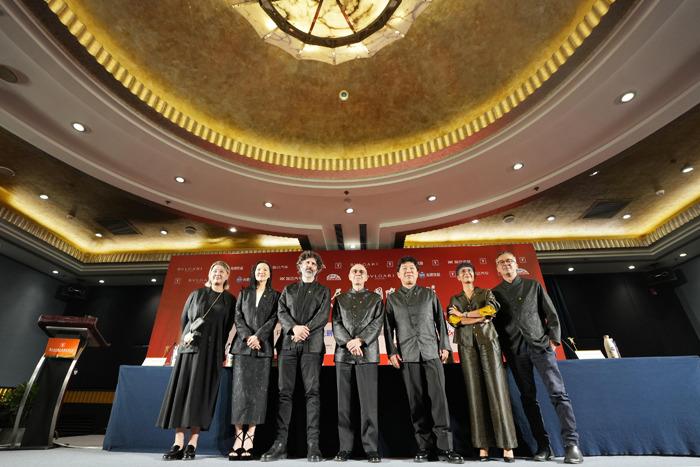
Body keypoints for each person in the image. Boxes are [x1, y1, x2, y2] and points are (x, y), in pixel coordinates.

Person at [491, 251, 583, 464]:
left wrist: (553, 339)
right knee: (528, 398)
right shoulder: (494, 294)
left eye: (509, 261)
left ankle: (572, 444)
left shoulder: (533, 286)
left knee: (558, 394)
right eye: (502, 262)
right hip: (515, 351)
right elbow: (495, 326)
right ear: (497, 268)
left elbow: (551, 314)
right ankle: (543, 446)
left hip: (541, 347)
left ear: (516, 264)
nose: (506, 265)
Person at [383, 256, 464, 464]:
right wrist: (391, 352)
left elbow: (440, 321)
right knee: (416, 402)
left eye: (412, 268)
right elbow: (388, 328)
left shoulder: (429, 294)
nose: (408, 271)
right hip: (408, 355)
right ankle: (423, 448)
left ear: (417, 273)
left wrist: (444, 346)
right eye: (404, 269)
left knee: (439, 401)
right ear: (398, 274)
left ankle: (446, 448)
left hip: (431, 353)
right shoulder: (392, 299)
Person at [157, 260, 236, 461]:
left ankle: (193, 443)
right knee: (182, 394)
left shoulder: (230, 300)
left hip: (212, 353)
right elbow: (184, 320)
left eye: (222, 271)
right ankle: (178, 443)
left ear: (227, 276)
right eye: (215, 270)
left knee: (201, 396)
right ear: (209, 274)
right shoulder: (196, 294)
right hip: (190, 350)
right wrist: (186, 337)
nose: (218, 273)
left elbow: (227, 327)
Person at [262, 251, 331, 462]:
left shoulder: (324, 290)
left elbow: (322, 315)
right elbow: (281, 312)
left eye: (313, 263)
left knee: (313, 393)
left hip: (312, 346)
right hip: (287, 346)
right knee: (284, 394)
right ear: (299, 267)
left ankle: (313, 445)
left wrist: (304, 330)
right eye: (306, 262)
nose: (309, 265)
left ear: (318, 269)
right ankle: (280, 445)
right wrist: (294, 328)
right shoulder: (288, 289)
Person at [447, 261, 517, 463]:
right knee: (474, 392)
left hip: (489, 343)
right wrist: (478, 317)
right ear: (458, 277)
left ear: (474, 275)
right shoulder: (455, 298)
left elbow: (491, 311)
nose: (467, 273)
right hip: (467, 345)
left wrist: (465, 315)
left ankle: (507, 446)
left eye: (469, 271)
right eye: (462, 272)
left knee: (497, 390)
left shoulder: (486, 293)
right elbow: (454, 321)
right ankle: (483, 446)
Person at [332, 264, 384, 463]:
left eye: (362, 271)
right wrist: (349, 342)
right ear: (349, 276)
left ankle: (371, 449)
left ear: (367, 276)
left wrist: (360, 340)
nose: (358, 274)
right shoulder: (340, 299)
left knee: (369, 404)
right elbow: (336, 323)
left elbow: (377, 323)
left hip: (367, 354)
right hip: (343, 355)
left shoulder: (376, 299)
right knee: (343, 405)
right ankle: (344, 448)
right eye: (354, 271)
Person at [229, 261, 280, 460]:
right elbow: (238, 317)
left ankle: (250, 436)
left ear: (269, 274)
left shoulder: (275, 295)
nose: (261, 272)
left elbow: (274, 318)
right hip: (242, 348)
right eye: (259, 269)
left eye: (265, 269)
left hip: (262, 348)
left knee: (258, 394)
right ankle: (238, 437)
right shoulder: (244, 293)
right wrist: (247, 337)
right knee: (239, 393)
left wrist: (258, 336)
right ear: (254, 273)